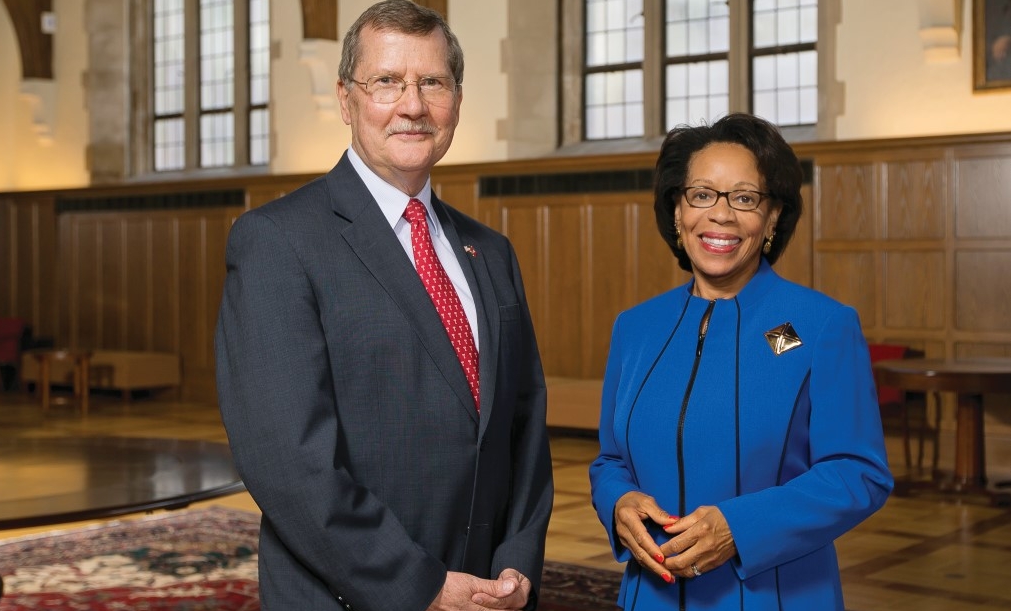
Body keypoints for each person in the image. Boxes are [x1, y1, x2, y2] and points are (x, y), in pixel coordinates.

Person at [215, 1, 553, 610]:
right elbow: (287, 461)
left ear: (456, 99)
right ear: (346, 99)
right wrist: (418, 586)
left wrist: (517, 560)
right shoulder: (277, 241)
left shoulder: (491, 251)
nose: (413, 105)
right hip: (354, 594)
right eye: (387, 82)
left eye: (433, 83)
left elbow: (523, 423)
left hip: (485, 592)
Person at [588, 113, 893, 611]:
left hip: (775, 596)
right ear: (676, 211)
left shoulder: (821, 326)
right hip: (650, 597)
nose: (721, 215)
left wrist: (740, 529)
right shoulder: (635, 329)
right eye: (702, 194)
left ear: (772, 217)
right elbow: (611, 460)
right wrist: (617, 501)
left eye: (745, 198)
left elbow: (858, 473)